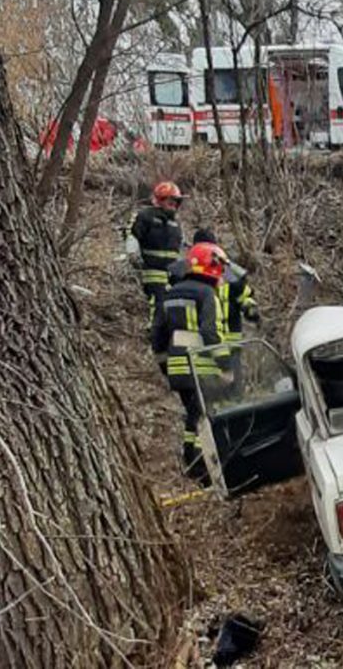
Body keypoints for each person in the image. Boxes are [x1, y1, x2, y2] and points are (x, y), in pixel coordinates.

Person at [152, 241, 231, 481]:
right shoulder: (207, 294)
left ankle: (194, 462)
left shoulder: (168, 294)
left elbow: (157, 336)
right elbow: (211, 332)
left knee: (193, 413)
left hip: (177, 367)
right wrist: (225, 365)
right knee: (202, 416)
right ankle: (200, 468)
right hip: (202, 365)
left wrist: (166, 367)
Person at [129, 181, 185, 323]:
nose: (174, 204)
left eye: (176, 201)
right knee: (158, 301)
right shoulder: (146, 216)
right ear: (160, 199)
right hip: (152, 269)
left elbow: (180, 248)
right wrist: (132, 254)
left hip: (172, 272)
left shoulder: (176, 223)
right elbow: (133, 235)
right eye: (170, 201)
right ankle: (154, 329)